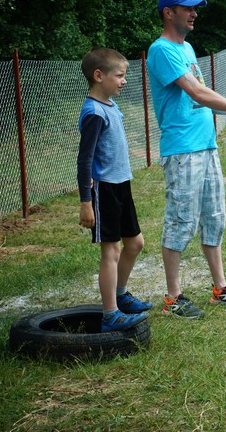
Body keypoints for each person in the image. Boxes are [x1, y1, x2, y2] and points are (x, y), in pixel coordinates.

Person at [146, 0, 226, 319]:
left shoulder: (186, 48)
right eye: (187, 8)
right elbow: (196, 93)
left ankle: (220, 289)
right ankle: (173, 298)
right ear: (169, 12)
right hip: (183, 150)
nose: (194, 13)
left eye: (194, 8)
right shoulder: (161, 50)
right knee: (181, 220)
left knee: (214, 218)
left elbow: (200, 92)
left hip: (206, 145)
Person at [77, 48, 152, 331]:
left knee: (135, 243)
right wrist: (86, 202)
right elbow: (84, 159)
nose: (124, 80)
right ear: (99, 76)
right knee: (112, 251)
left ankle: (120, 296)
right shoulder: (94, 112)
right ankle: (110, 314)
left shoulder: (110, 105)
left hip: (121, 185)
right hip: (104, 189)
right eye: (119, 75)